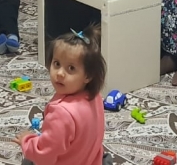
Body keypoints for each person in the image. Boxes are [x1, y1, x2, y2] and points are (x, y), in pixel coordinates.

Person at [14, 25, 111, 165]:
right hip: (89, 160)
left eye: (71, 68)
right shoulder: (94, 96)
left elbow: (45, 155)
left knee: (29, 160)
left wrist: (26, 141)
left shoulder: (61, 114)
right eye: (57, 63)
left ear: (88, 75)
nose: (59, 73)